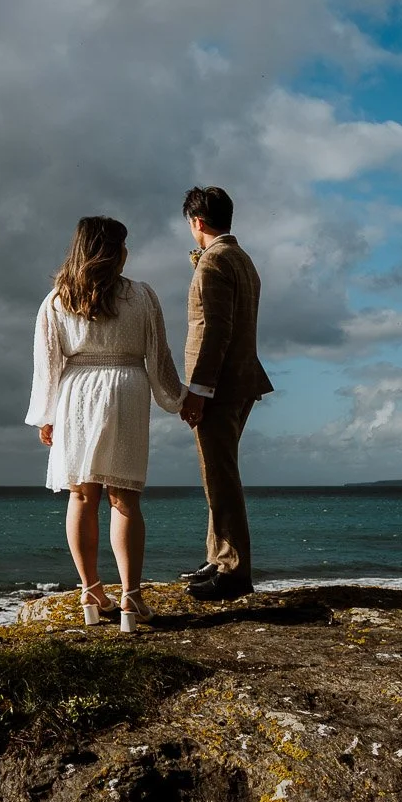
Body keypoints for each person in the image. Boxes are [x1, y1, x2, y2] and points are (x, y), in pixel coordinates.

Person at [26, 216, 184, 631]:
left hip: (76, 393)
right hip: (127, 390)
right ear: (116, 252)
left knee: (81, 496)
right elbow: (158, 354)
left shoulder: (57, 300)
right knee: (125, 498)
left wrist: (46, 415)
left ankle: (90, 591)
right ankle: (130, 598)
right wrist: (177, 398)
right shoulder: (142, 295)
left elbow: (48, 366)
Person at [176, 186, 274, 600]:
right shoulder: (242, 259)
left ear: (196, 222)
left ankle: (233, 570)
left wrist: (198, 389)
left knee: (220, 475)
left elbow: (212, 329)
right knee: (218, 471)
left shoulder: (214, 262)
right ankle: (219, 556)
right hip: (241, 380)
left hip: (221, 385)